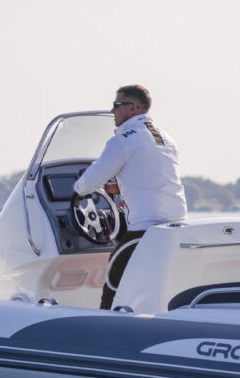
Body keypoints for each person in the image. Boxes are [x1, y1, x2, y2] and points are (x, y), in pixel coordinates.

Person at [73, 85, 187, 309]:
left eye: (117, 105)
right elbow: (150, 177)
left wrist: (76, 187)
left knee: (112, 284)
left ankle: (104, 328)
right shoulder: (166, 139)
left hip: (144, 229)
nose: (112, 111)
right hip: (177, 227)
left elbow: (86, 184)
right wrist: (120, 187)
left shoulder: (123, 140)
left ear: (133, 108)